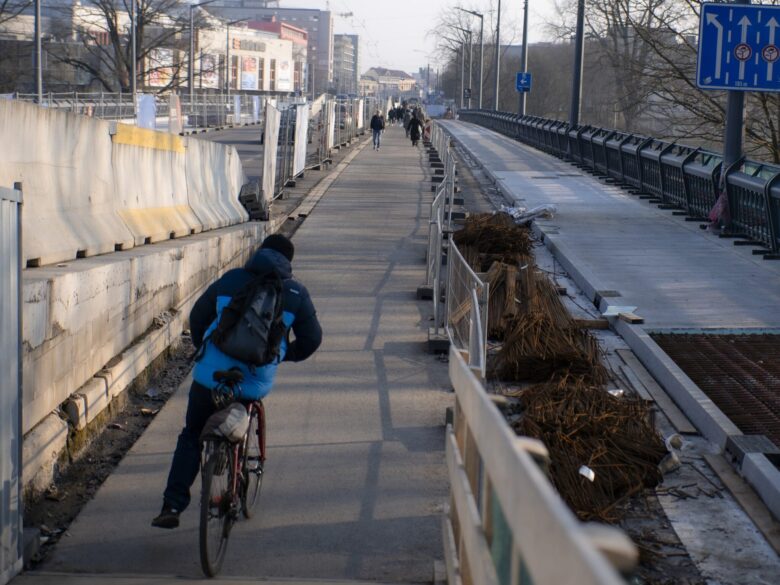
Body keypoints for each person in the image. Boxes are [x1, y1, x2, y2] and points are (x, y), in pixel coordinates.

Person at [152, 234, 322, 529]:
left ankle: (173, 504)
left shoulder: (230, 280)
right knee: (241, 405)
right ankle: (234, 457)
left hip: (210, 376)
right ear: (288, 262)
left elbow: (198, 317)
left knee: (191, 434)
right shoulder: (295, 292)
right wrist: (284, 355)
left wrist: (205, 348)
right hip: (254, 380)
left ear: (260, 253)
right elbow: (312, 339)